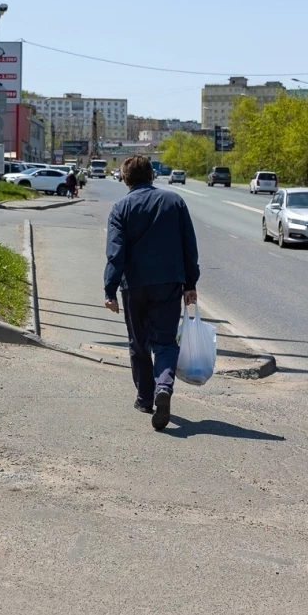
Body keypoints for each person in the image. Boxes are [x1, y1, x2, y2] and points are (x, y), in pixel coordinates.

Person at [103, 154, 200, 431]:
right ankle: (164, 387)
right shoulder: (174, 201)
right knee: (166, 343)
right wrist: (190, 284)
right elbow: (189, 246)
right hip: (169, 283)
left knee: (139, 344)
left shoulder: (120, 208)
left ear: (125, 179)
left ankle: (145, 399)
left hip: (133, 286)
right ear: (152, 175)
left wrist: (110, 289)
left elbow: (116, 253)